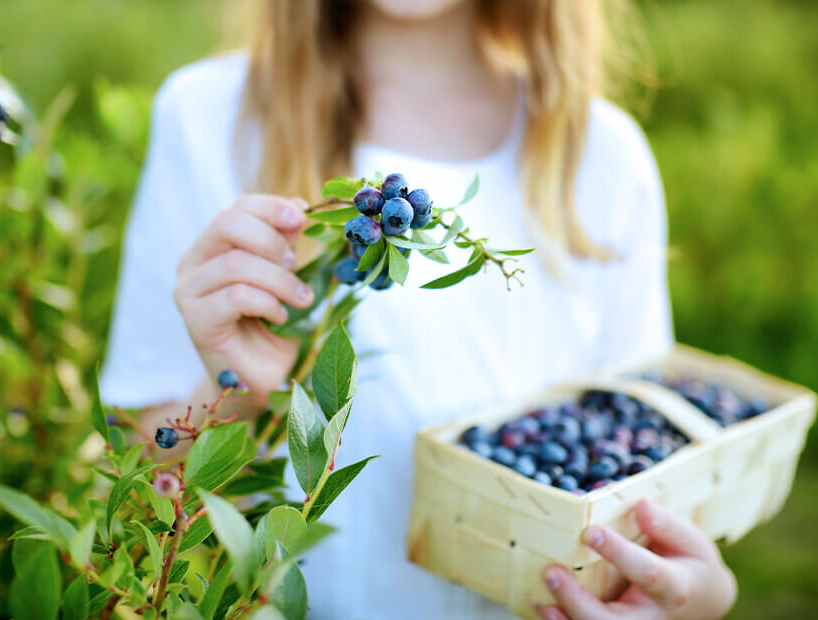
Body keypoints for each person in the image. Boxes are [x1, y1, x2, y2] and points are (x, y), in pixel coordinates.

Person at [100, 0, 737, 618]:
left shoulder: (600, 155)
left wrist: (685, 594)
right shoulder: (213, 119)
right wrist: (237, 389)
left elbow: (643, 466)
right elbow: (133, 485)